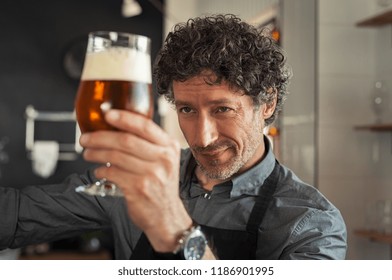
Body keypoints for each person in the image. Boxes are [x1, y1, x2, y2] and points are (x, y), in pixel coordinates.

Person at [0, 14, 347, 260]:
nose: (203, 138)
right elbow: (15, 217)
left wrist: (175, 227)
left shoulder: (311, 223)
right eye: (187, 110)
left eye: (223, 109)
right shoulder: (141, 177)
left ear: (267, 103)